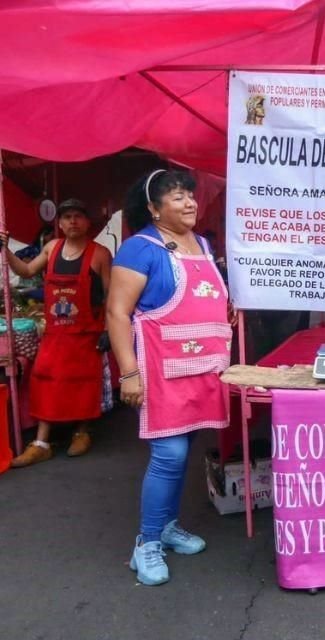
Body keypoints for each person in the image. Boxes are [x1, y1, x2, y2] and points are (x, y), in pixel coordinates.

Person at [107, 169, 233, 586]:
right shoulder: (138, 249)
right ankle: (145, 544)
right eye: (177, 197)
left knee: (186, 449)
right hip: (162, 372)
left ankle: (166, 526)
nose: (189, 203)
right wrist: (129, 373)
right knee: (170, 456)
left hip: (202, 370)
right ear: (153, 208)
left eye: (189, 195)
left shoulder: (203, 244)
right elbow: (117, 313)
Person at [4, 198, 112, 466]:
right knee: (45, 381)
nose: (72, 221)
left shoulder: (100, 254)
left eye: (77, 216)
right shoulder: (52, 248)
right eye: (66, 217)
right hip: (55, 334)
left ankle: (82, 431)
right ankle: (41, 443)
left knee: (84, 384)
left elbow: (111, 295)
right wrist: (5, 250)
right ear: (59, 223)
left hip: (86, 333)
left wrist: (109, 329)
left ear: (88, 222)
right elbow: (27, 270)